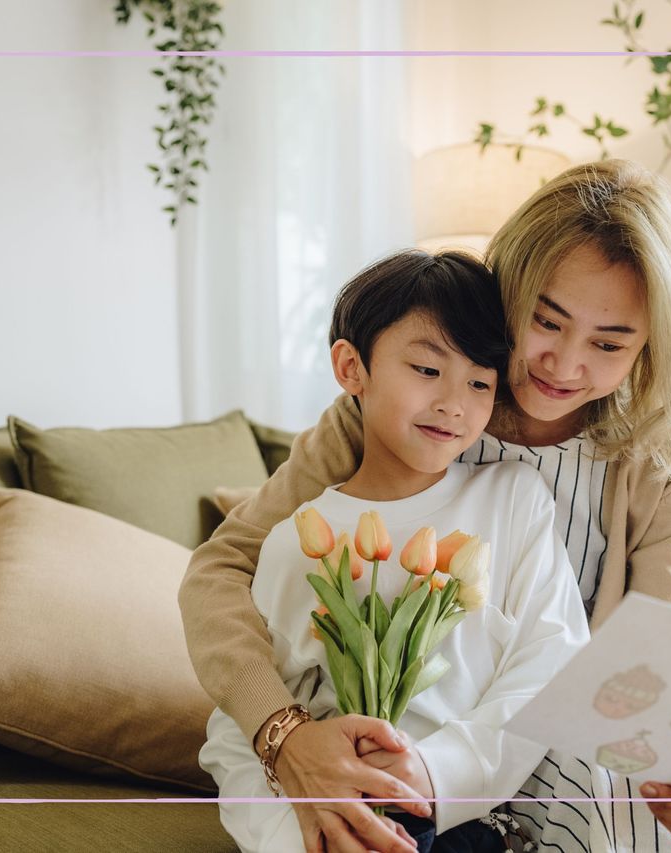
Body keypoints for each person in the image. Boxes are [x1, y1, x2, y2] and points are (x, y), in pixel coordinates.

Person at [180, 160, 671, 853]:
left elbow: (657, 654)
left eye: (609, 343)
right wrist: (284, 733)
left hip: (560, 752)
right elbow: (221, 572)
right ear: (511, 289)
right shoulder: (396, 417)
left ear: (651, 343)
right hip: (429, 759)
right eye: (547, 320)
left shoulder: (665, 452)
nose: (564, 364)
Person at [198, 249, 592, 853]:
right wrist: (297, 836)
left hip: (466, 821)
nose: (454, 403)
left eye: (481, 381)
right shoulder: (299, 538)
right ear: (351, 368)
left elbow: (551, 664)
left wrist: (436, 775)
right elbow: (234, 731)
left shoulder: (514, 499)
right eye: (427, 370)